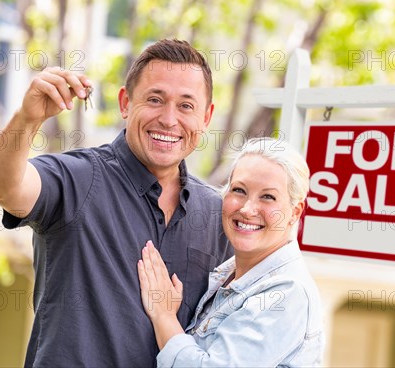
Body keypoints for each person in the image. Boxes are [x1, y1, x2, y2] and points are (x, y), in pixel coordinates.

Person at [0, 39, 233, 366]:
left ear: (206, 117)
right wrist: (27, 120)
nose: (169, 120)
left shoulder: (218, 215)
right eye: (155, 99)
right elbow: (0, 184)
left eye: (186, 106)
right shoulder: (78, 180)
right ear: (125, 103)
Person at [138, 137, 324, 367]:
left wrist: (165, 317)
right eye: (239, 190)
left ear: (295, 212)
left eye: (268, 196)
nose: (247, 209)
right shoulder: (226, 275)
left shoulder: (286, 293)